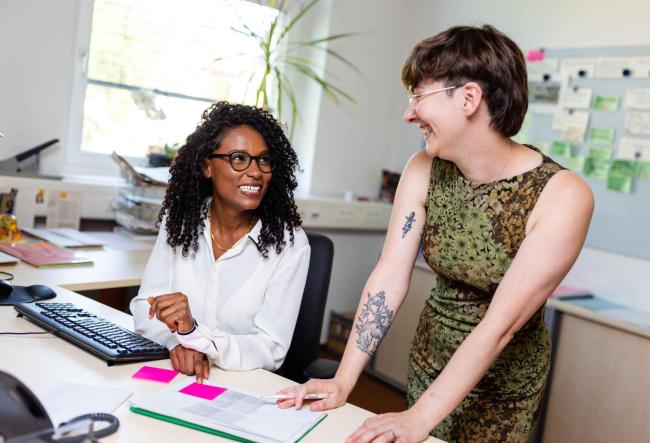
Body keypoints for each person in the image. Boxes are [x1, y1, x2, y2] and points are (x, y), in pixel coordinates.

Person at [278, 25, 594, 442]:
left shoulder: (563, 195)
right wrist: (344, 379)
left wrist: (419, 418)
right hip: (431, 359)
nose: (409, 114)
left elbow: (500, 325)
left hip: (504, 387)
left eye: (418, 97)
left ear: (468, 98)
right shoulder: (423, 169)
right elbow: (389, 277)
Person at [130, 101, 310, 382]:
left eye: (264, 160)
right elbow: (145, 305)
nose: (256, 171)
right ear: (207, 167)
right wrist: (177, 342)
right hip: (178, 371)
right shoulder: (180, 222)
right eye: (239, 158)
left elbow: (271, 347)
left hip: (244, 383)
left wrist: (199, 341)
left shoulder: (289, 243)